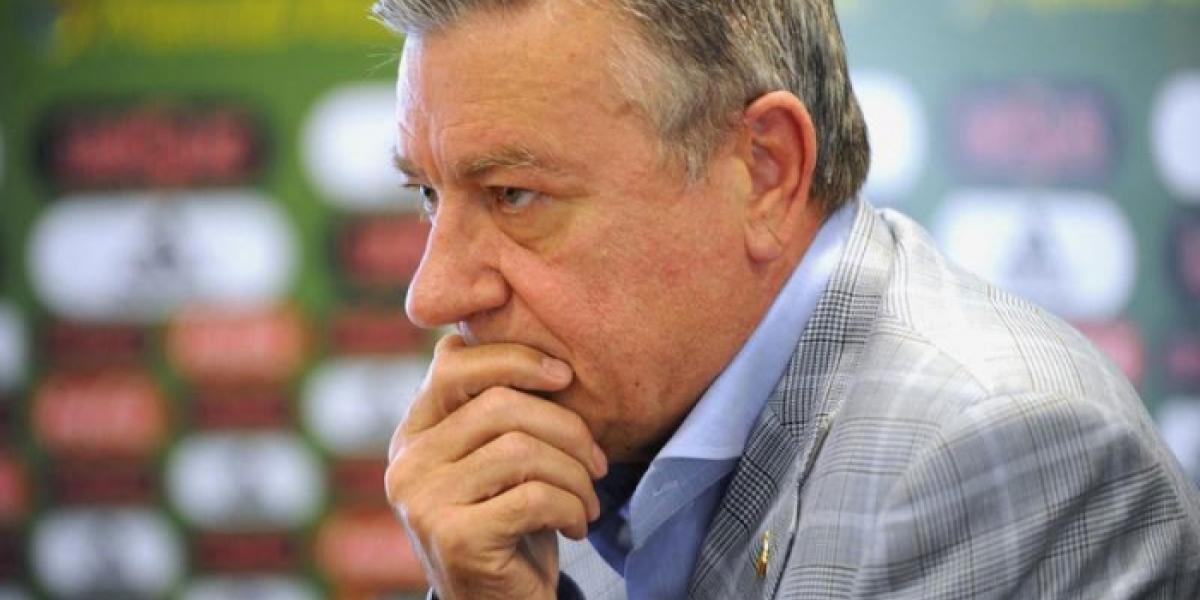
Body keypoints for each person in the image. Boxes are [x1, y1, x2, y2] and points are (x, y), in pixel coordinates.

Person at [373, 0, 1200, 598]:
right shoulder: (575, 431)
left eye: (514, 194)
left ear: (765, 172)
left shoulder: (1002, 454)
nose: (433, 294)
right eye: (428, 195)